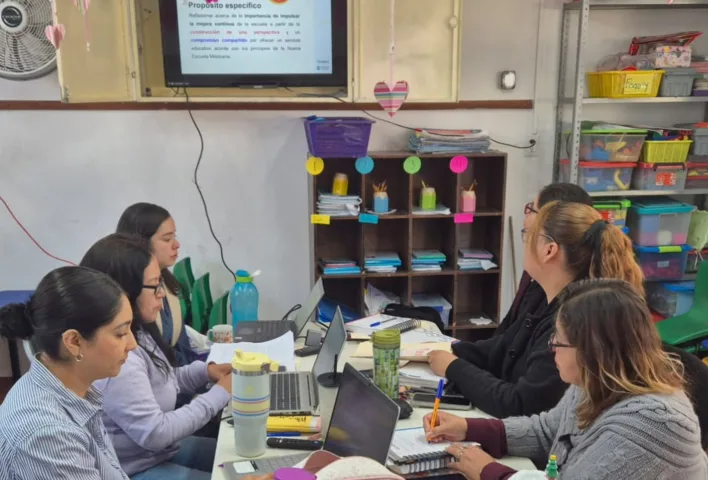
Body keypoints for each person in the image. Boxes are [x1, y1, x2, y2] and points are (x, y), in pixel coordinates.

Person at [423, 279, 708, 480]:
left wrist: (490, 472)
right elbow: (548, 431)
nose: (551, 349)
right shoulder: (595, 380)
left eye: (558, 341)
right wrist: (468, 427)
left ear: (592, 351)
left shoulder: (650, 424)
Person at [427, 200, 643, 418]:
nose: (525, 243)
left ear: (549, 250)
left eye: (529, 235)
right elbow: (502, 348)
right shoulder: (541, 294)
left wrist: (454, 367)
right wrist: (443, 350)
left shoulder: (572, 321)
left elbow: (520, 404)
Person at [80, 234, 232, 480]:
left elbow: (161, 380)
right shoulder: (120, 357)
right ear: (123, 290)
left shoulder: (139, 331)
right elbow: (155, 433)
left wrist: (205, 372)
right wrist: (220, 394)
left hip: (157, 453)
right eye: (154, 285)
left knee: (240, 457)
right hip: (136, 468)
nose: (162, 293)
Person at [0, 266, 137, 479]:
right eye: (120, 333)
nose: (133, 344)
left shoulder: (72, 387)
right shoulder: (48, 435)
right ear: (74, 342)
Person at [497, 183, 593, 336]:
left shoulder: (564, 314)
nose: (526, 216)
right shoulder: (539, 279)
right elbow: (507, 336)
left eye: (532, 210)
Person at [117, 202, 197, 366]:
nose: (176, 245)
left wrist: (203, 370)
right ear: (141, 242)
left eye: (174, 236)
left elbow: (182, 345)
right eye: (167, 239)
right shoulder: (132, 297)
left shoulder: (166, 282)